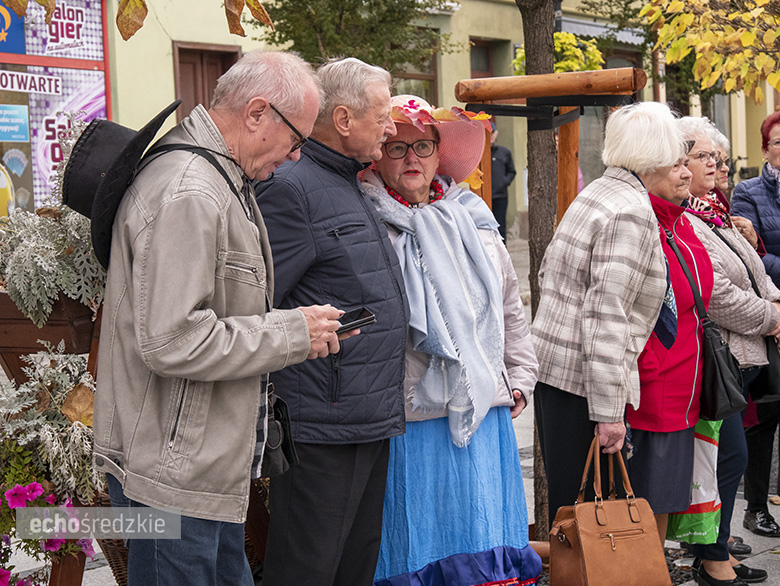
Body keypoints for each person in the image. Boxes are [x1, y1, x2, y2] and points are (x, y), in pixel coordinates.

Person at [91, 50, 345, 586]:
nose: (298, 157)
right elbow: (173, 338)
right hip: (173, 475)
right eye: (297, 139)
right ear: (257, 113)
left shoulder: (215, 177)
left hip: (194, 472)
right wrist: (290, 332)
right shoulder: (190, 188)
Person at [361, 95, 542, 586]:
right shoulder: (368, 224)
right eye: (397, 149)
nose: (412, 158)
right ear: (377, 156)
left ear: (441, 153)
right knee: (419, 533)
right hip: (412, 416)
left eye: (422, 145)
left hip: (484, 411)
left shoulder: (474, 217)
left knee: (478, 532)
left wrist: (521, 379)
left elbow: (509, 308)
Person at [254, 58, 407, 586]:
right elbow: (255, 307)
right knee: (308, 569)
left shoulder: (344, 181)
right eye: (383, 117)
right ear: (343, 119)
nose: (392, 129)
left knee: (354, 567)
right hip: (322, 424)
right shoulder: (292, 189)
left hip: (365, 415)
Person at [532, 101, 686, 526]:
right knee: (590, 521)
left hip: (558, 373)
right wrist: (609, 413)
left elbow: (550, 274)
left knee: (572, 513)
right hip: (582, 385)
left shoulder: (600, 191)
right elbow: (606, 317)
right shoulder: (631, 212)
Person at [680, 115, 779, 585]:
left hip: (740, 354)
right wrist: (773, 318)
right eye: (705, 157)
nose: (716, 165)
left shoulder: (716, 215)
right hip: (716, 354)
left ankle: (716, 551)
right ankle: (709, 556)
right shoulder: (689, 217)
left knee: (724, 457)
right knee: (725, 457)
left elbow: (754, 274)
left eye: (718, 157)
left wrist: (774, 302)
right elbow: (716, 293)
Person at [626, 153, 713, 545]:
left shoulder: (681, 221)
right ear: (646, 170)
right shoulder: (643, 223)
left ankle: (654, 569)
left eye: (685, 163)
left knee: (665, 498)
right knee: (648, 501)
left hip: (684, 385)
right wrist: (650, 365)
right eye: (676, 165)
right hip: (654, 389)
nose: (686, 172)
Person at [730, 111, 780, 540]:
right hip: (770, 316)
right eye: (779, 142)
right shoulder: (746, 193)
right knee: (767, 415)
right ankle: (756, 507)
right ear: (765, 149)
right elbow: (753, 256)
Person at [489, 120, 516, 239]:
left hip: (500, 196)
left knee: (501, 227)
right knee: (487, 228)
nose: (490, 136)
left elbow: (512, 171)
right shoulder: (480, 153)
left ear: (495, 134)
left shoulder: (504, 152)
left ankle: (503, 253)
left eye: (492, 133)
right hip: (485, 196)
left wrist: (504, 182)